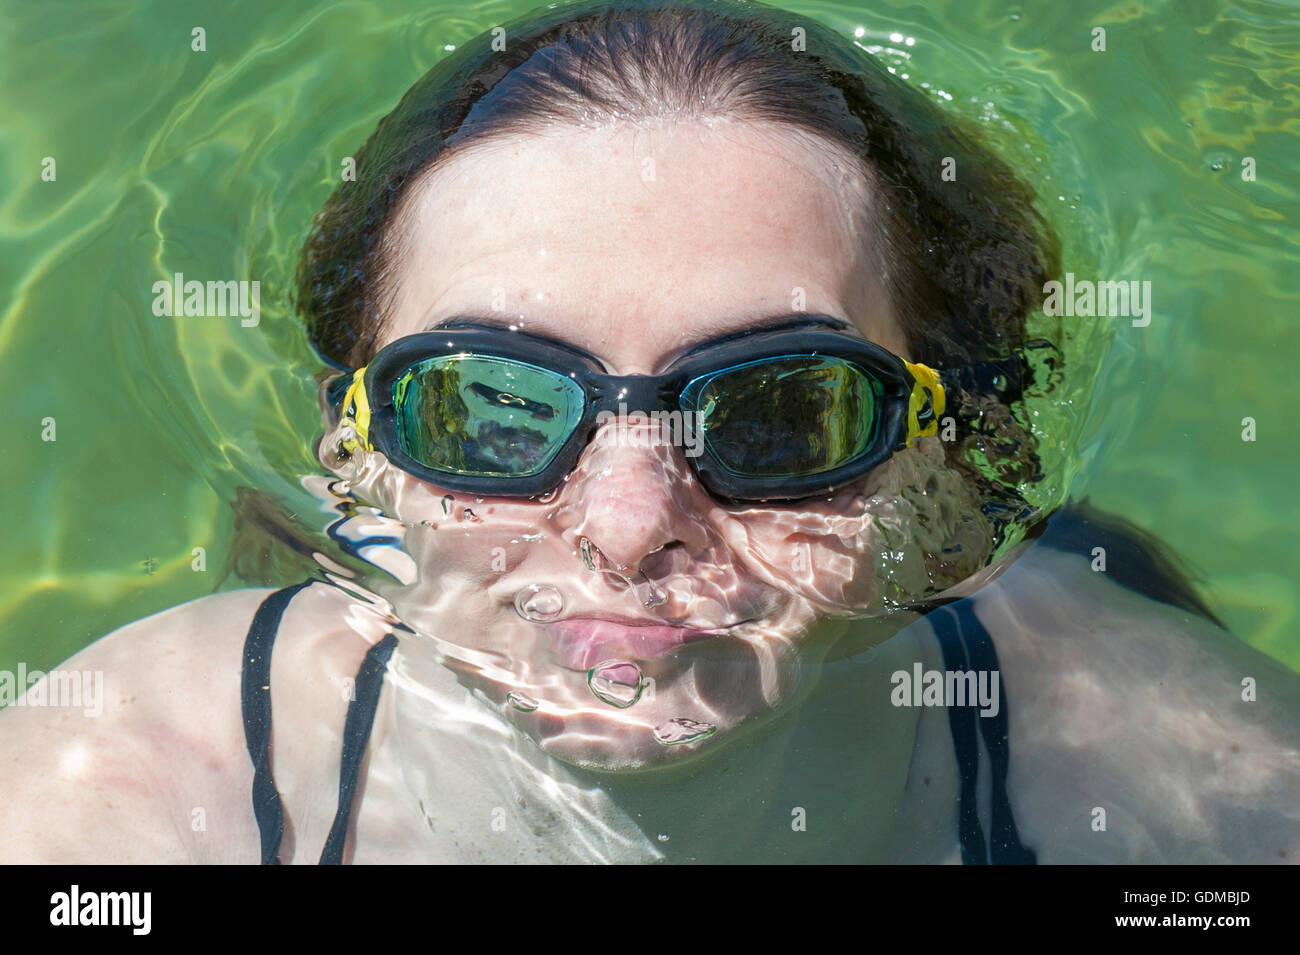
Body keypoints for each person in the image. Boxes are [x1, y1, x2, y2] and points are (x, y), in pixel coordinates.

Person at [2, 0, 1295, 864]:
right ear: (356, 454)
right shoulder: (118, 800)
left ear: (951, 464)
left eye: (785, 413)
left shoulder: (1204, 797)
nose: (626, 527)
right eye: (489, 406)